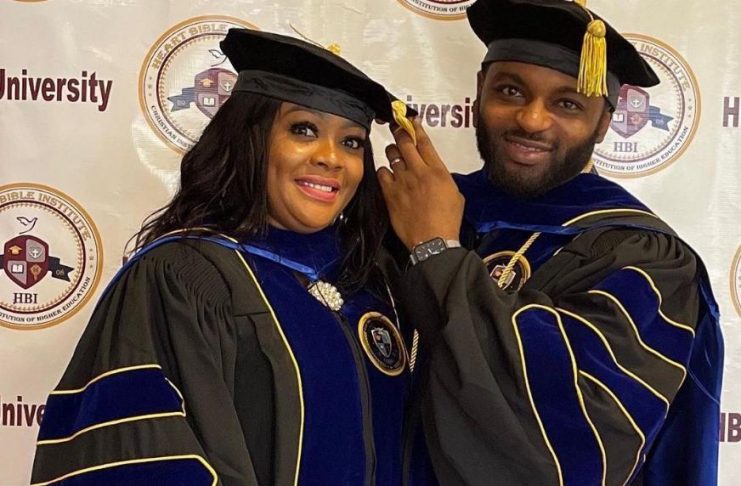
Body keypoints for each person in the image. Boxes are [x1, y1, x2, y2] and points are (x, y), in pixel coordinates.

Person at [31, 28, 433, 486]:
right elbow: (142, 461)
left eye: (351, 142)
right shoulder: (183, 279)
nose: (331, 158)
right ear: (250, 138)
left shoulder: (373, 280)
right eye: (303, 130)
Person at [377, 0, 723, 485]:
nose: (532, 120)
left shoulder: (641, 259)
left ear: (604, 122)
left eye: (568, 104)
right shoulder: (409, 207)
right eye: (510, 91)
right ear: (479, 89)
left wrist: (436, 250)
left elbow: (568, 449)